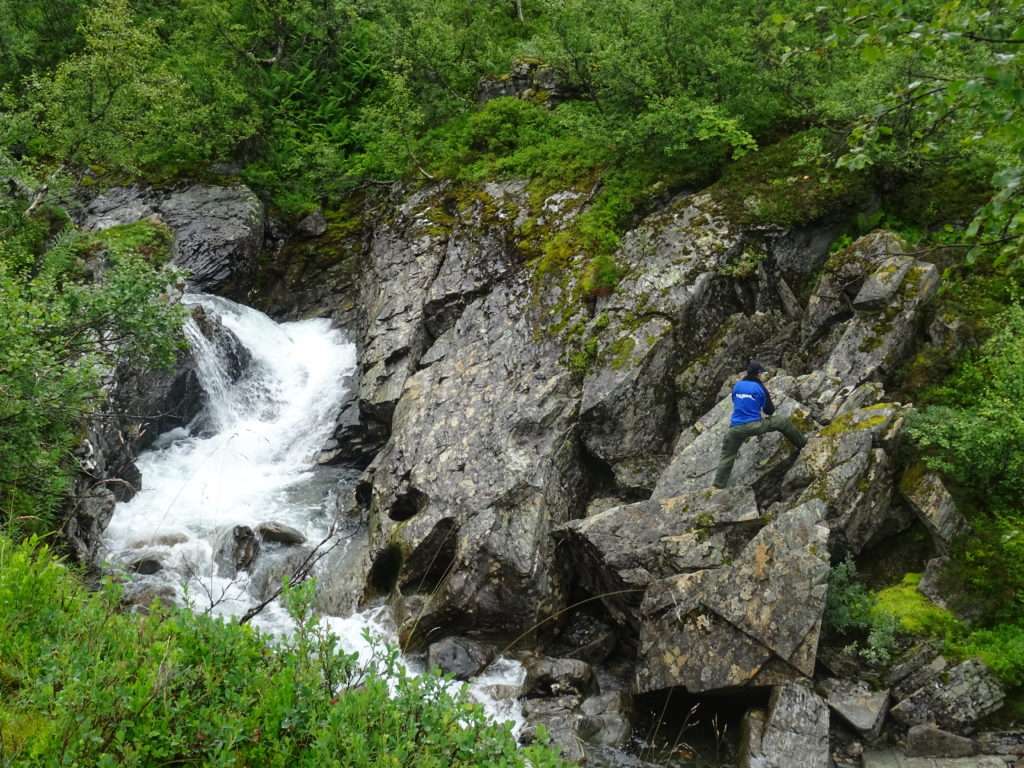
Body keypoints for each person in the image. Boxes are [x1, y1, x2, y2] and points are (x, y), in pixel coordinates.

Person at [712, 361, 807, 489]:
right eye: (762, 373)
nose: (763, 376)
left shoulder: (737, 386)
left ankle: (718, 485)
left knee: (727, 456)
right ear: (758, 374)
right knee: (782, 422)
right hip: (755, 425)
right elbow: (769, 410)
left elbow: (736, 401)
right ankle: (804, 444)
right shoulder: (760, 388)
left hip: (735, 429)